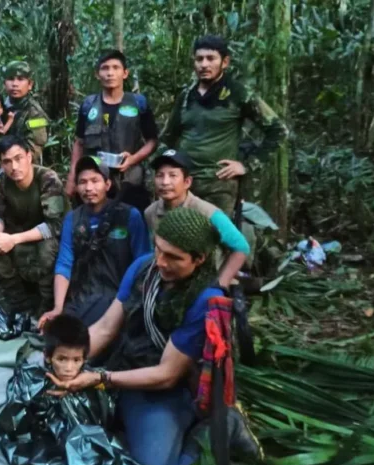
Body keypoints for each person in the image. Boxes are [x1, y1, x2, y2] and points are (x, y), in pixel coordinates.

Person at [47, 208, 259, 465]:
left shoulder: (203, 300)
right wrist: (64, 357)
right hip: (125, 367)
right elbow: (106, 327)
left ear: (199, 259)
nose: (160, 261)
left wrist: (100, 379)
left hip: (164, 391)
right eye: (159, 249)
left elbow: (167, 374)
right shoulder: (142, 269)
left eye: (173, 257)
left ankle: (220, 427)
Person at [0, 313, 171, 465]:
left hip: (94, 449)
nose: (69, 368)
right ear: (48, 356)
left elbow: (106, 416)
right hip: (58, 455)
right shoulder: (31, 382)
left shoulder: (91, 380)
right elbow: (16, 432)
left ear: (84, 359)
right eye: (62, 359)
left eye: (76, 360)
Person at [160, 35, 288, 216]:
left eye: (210, 58)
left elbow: (278, 131)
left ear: (225, 62)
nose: (204, 64)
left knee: (215, 239)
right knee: (178, 237)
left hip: (219, 185)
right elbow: (167, 138)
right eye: (199, 59)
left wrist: (247, 165)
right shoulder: (186, 96)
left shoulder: (238, 93)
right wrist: (167, 172)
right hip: (184, 184)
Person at [39, 156, 151, 329]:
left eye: (95, 181)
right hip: (82, 296)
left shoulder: (130, 216)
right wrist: (58, 308)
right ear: (76, 187)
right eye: (82, 182)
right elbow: (64, 263)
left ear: (107, 185)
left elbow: (143, 263)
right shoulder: (73, 219)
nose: (89, 188)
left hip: (118, 298)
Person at [0, 136, 65, 313]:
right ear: (1, 164)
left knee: (48, 249)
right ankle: (17, 298)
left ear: (29, 157)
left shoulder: (47, 179)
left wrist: (14, 240)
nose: (14, 167)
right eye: (7, 162)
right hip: (16, 232)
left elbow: (55, 225)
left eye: (18, 159)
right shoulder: (2, 180)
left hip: (45, 235)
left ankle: (46, 302)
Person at [144, 150, 249, 288]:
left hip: (203, 281)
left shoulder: (207, 212)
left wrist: (221, 283)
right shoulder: (150, 212)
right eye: (159, 176)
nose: (165, 182)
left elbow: (241, 247)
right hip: (168, 278)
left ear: (187, 182)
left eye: (173, 175)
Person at [68, 50, 159, 210]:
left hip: (130, 181)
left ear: (125, 73)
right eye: (105, 68)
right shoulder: (89, 106)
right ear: (98, 74)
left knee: (131, 224)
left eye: (116, 68)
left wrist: (132, 159)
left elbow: (152, 141)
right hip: (95, 182)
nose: (110, 73)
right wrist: (73, 176)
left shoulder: (138, 104)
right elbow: (79, 142)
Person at [0, 61, 49, 166]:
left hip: (25, 174)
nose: (15, 84)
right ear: (4, 84)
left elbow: (33, 152)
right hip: (0, 173)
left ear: (30, 85)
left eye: (20, 79)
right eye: (10, 79)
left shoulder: (35, 114)